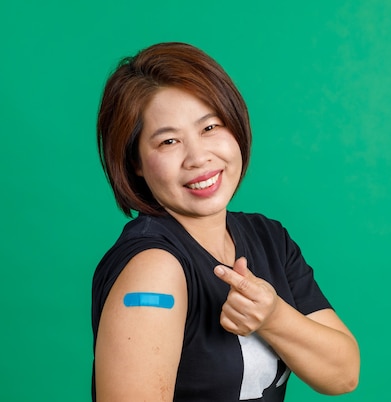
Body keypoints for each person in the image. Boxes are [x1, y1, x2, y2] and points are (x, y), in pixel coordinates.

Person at [91, 42, 360, 401]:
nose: (198, 157)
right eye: (169, 141)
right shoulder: (155, 269)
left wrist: (274, 316)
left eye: (210, 127)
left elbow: (343, 375)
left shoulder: (269, 239)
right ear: (135, 162)